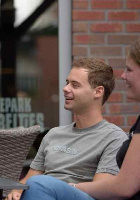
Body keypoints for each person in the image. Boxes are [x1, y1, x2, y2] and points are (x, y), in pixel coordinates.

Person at [21, 41, 140, 200]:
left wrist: (51, 186)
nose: (65, 89)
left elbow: (101, 191)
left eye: (75, 85)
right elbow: (27, 180)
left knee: (39, 184)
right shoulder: (53, 134)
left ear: (98, 92)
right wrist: (16, 190)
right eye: (67, 83)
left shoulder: (113, 137)